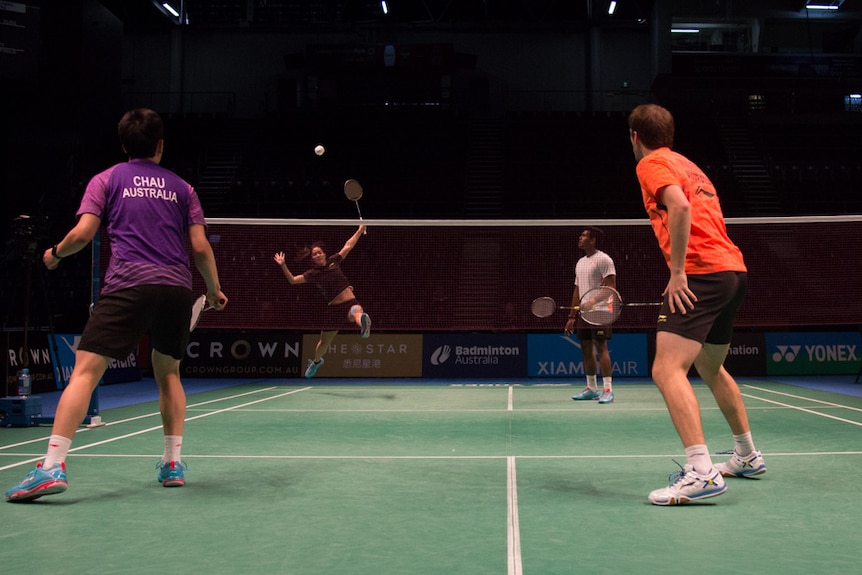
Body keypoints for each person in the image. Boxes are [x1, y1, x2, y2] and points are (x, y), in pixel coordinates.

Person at [4, 108, 227, 502]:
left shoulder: (106, 179)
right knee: (169, 373)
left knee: (85, 373)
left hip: (129, 284)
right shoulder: (183, 188)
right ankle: (172, 462)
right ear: (161, 145)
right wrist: (213, 289)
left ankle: (52, 466)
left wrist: (54, 254)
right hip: (175, 288)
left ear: (124, 145)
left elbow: (83, 234)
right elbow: (199, 247)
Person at [628, 103, 766, 506]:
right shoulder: (690, 165)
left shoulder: (651, 164)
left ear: (635, 137)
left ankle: (702, 472)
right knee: (709, 365)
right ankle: (746, 455)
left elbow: (681, 207)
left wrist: (677, 272)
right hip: (732, 271)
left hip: (701, 273)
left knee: (666, 368)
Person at [273, 225, 371, 378]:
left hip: (349, 302)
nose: (317, 255)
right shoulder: (312, 273)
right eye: (314, 254)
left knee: (356, 310)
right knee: (323, 343)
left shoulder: (334, 261)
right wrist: (283, 265)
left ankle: (363, 326)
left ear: (324, 254)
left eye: (319, 252)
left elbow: (348, 245)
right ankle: (316, 362)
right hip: (334, 309)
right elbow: (292, 280)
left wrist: (359, 230)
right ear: (312, 258)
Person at [565, 227, 617, 404]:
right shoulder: (580, 262)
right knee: (586, 348)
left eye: (584, 236)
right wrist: (572, 316)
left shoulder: (604, 259)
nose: (580, 238)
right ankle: (591, 388)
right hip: (584, 314)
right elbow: (577, 290)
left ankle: (608, 390)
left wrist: (592, 302)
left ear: (593, 240)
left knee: (601, 347)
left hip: (601, 311)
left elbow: (611, 289)